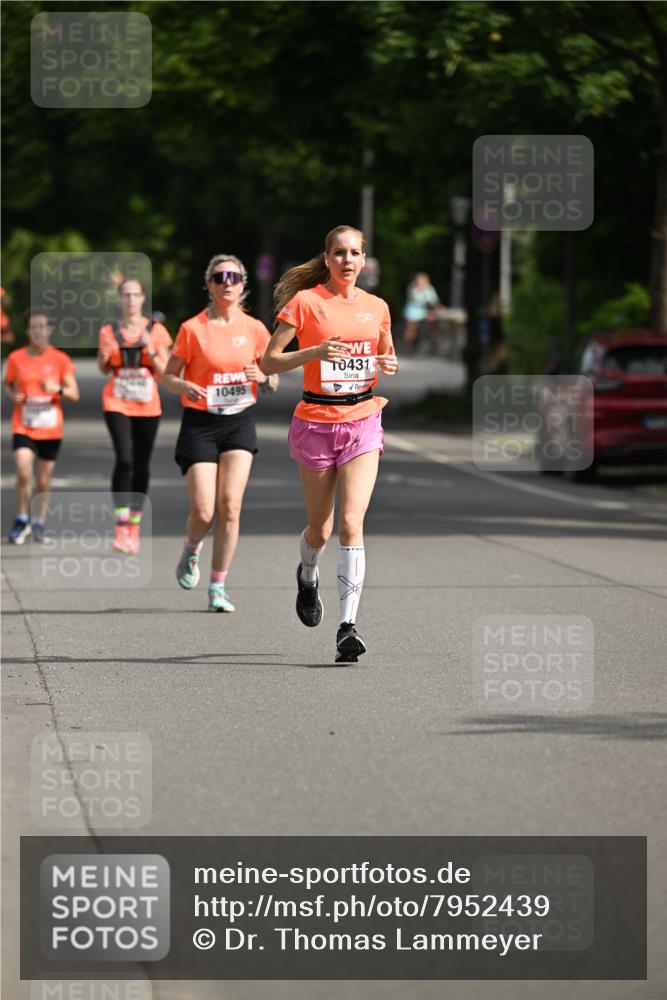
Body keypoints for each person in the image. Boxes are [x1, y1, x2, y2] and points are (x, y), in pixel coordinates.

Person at [261, 225, 398, 663]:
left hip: (362, 418)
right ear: (326, 258)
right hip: (316, 420)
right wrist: (315, 352)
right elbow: (269, 360)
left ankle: (347, 627)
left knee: (351, 523)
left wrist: (389, 361)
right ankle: (307, 573)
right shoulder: (305, 303)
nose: (347, 260)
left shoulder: (376, 306)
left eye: (355, 253)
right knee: (320, 528)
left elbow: (384, 352)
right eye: (339, 253)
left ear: (363, 260)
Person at [162, 254, 278, 612]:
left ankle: (218, 586)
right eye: (219, 276)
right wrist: (183, 385)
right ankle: (191, 550)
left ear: (243, 284)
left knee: (230, 506)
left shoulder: (256, 329)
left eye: (234, 276)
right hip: (200, 423)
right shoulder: (192, 328)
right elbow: (167, 375)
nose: (227, 282)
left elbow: (273, 376)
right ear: (209, 285)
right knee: (204, 510)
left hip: (239, 421)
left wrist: (264, 378)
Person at [97, 278, 172, 554]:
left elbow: (165, 374)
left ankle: (134, 526)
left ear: (142, 299)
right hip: (117, 401)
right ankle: (120, 527)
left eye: (135, 295)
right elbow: (103, 367)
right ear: (119, 300)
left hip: (148, 403)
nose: (130, 300)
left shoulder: (157, 331)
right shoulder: (109, 330)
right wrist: (106, 356)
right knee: (125, 459)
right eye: (125, 295)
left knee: (141, 463)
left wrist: (149, 349)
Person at [4, 309, 79, 543]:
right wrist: (12, 395)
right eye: (34, 327)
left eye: (43, 327)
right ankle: (20, 518)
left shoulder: (60, 359)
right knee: (23, 470)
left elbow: (73, 394)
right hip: (24, 425)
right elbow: (8, 384)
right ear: (27, 331)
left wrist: (56, 389)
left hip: (50, 427)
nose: (38, 331)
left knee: (43, 479)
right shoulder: (16, 358)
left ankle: (38, 521)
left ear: (49, 330)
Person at [402, 272, 440, 352]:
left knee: (434, 320)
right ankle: (407, 345)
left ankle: (433, 341)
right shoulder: (412, 287)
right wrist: (421, 290)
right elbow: (414, 298)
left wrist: (436, 310)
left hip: (424, 311)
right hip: (412, 311)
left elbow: (434, 302)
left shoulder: (430, 288)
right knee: (411, 326)